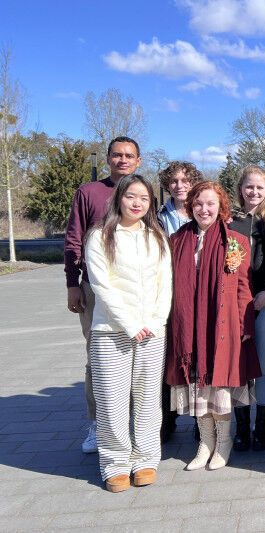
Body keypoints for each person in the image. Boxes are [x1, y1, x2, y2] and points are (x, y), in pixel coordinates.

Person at [84, 174, 172, 492]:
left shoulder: (156, 236)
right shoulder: (100, 235)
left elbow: (166, 283)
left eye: (144, 198)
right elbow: (101, 285)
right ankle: (115, 463)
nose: (137, 203)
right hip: (111, 331)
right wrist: (130, 324)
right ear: (119, 197)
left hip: (151, 331)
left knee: (148, 400)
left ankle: (146, 459)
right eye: (131, 196)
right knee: (112, 401)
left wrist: (156, 320)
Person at [165, 181, 261, 471]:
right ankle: (204, 443)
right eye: (198, 204)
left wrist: (246, 323)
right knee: (197, 385)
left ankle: (223, 443)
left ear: (221, 208)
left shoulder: (235, 241)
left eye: (210, 204)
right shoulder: (178, 239)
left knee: (219, 385)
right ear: (190, 206)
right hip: (188, 324)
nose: (204, 209)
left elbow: (244, 285)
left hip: (221, 323)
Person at [65, 136, 142, 454]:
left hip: (135, 292)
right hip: (95, 292)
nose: (123, 160)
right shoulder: (89, 193)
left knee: (137, 358)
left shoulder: (141, 193)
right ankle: (99, 424)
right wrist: (72, 283)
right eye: (117, 155)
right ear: (108, 158)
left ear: (138, 161)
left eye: (129, 156)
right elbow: (73, 239)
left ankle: (136, 423)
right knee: (98, 359)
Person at [230, 165, 265, 449]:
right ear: (241, 189)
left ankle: (262, 425)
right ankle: (241, 426)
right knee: (239, 364)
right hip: (236, 304)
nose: (254, 192)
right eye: (249, 187)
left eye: (260, 188)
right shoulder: (229, 222)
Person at [156, 160, 203, 443]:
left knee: (198, 357)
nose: (179, 186)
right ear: (167, 185)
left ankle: (202, 421)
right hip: (169, 293)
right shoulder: (159, 216)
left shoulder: (203, 211)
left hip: (198, 293)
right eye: (174, 182)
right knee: (170, 359)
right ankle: (167, 420)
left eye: (185, 181)